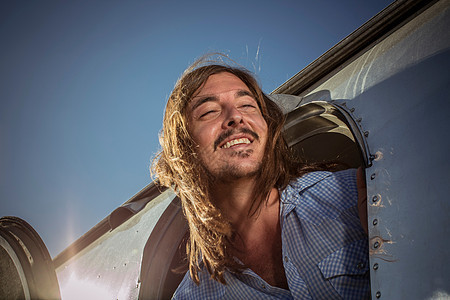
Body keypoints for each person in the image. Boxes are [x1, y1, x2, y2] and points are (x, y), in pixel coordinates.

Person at [152, 58, 369, 299]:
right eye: (209, 111)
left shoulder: (354, 194)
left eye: (247, 105)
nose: (236, 116)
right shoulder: (192, 296)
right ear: (183, 148)